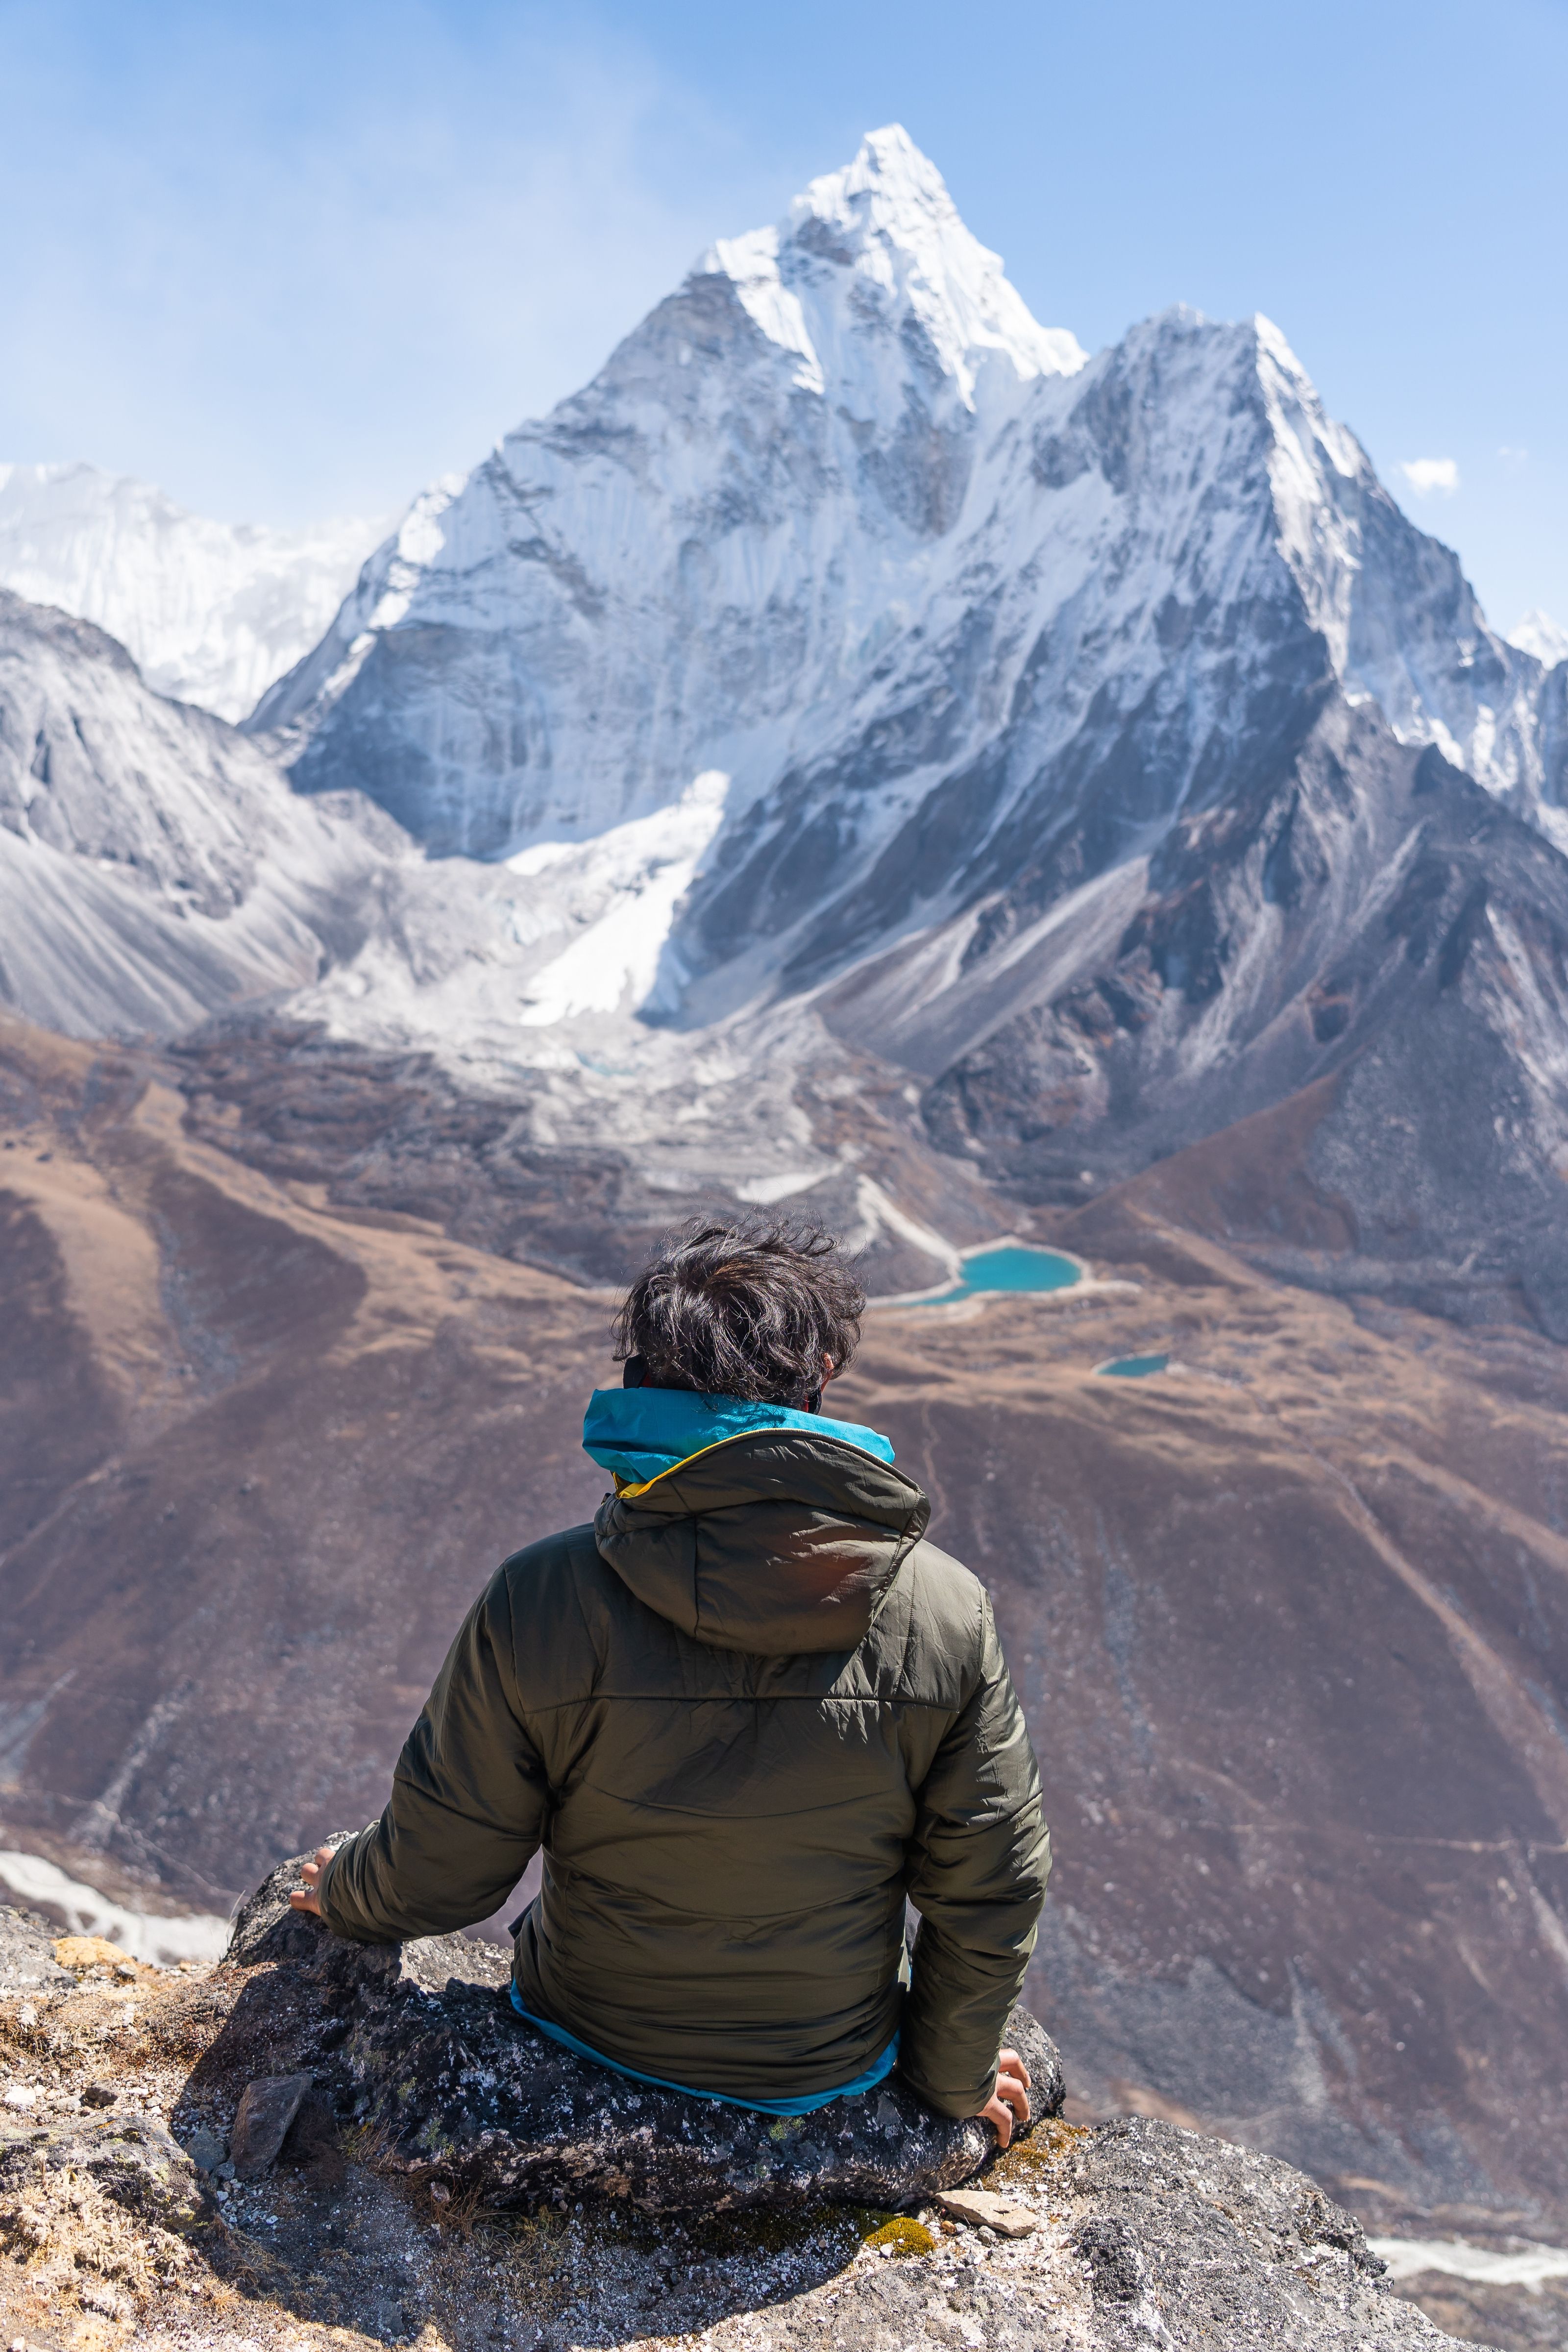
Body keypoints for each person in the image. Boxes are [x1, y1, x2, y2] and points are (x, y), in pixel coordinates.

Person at [292, 1216, 1050, 2141]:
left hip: (584, 2035)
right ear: (820, 1388)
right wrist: (951, 2076)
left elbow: (445, 1872)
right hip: (826, 2063)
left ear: (639, 1386)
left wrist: (347, 1891)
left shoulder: (542, 1595)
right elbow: (991, 1885)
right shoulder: (945, 1608)